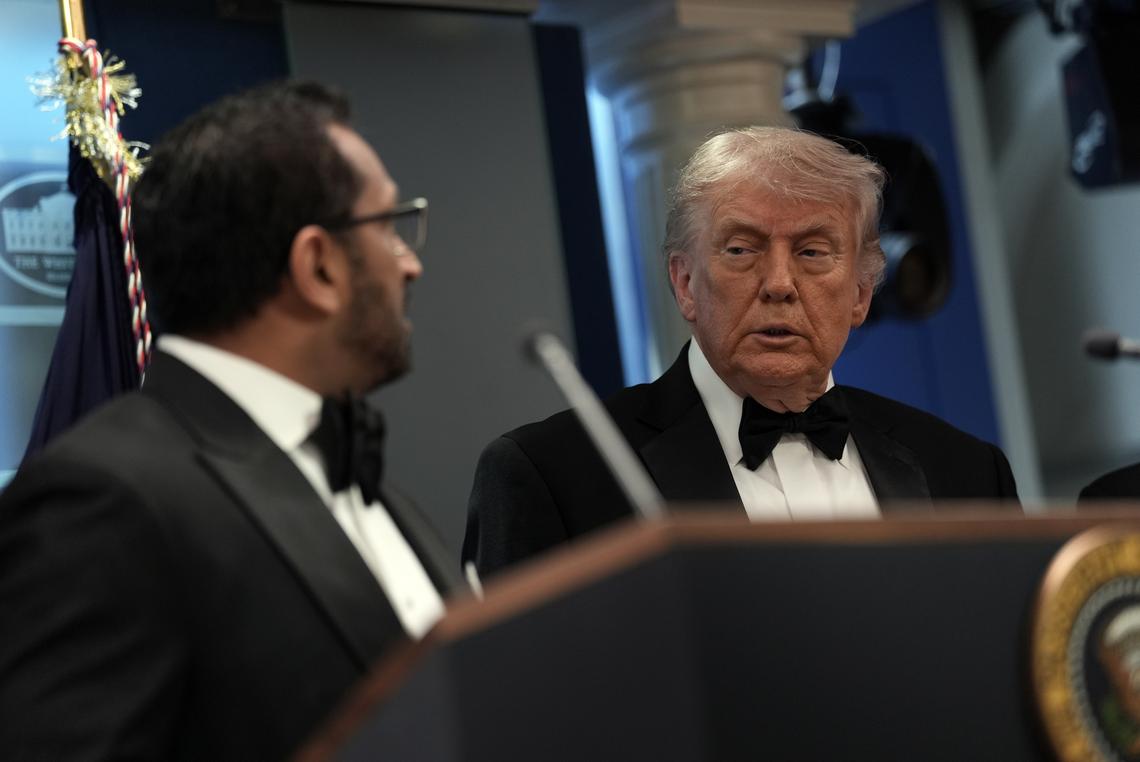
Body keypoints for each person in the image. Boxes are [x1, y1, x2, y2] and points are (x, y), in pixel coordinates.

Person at [0, 81, 463, 760]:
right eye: (390, 227)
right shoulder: (101, 497)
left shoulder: (370, 482)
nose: (411, 263)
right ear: (318, 266)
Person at [463, 126, 1019, 577]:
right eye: (741, 249)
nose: (779, 282)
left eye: (813, 251)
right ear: (684, 284)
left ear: (860, 293)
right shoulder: (553, 477)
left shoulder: (968, 474)